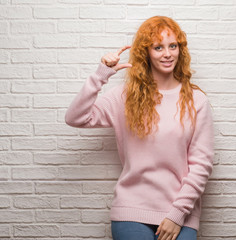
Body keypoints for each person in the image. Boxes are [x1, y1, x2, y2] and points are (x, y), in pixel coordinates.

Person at [65, 16, 214, 240]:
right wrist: (100, 75)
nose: (167, 54)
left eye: (172, 46)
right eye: (158, 47)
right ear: (146, 52)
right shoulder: (125, 97)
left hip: (180, 215)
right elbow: (76, 117)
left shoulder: (196, 100)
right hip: (131, 212)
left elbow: (201, 164)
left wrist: (176, 215)